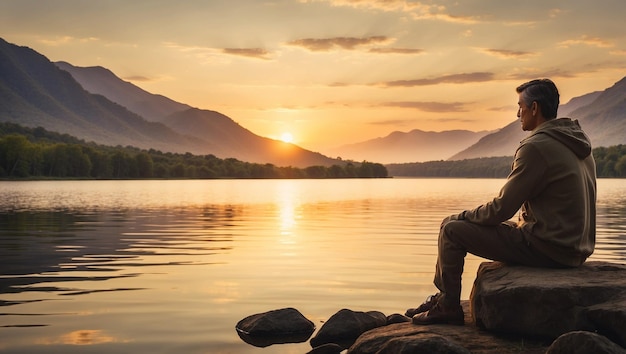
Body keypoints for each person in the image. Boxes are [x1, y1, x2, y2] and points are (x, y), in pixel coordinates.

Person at [407, 78, 597, 325]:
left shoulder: (537, 147)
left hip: (550, 249)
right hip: (575, 248)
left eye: (520, 106)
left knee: (452, 230)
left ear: (535, 108)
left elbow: (501, 209)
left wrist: (464, 215)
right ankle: (442, 297)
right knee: (452, 224)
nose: (518, 113)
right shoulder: (576, 142)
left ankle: (448, 306)